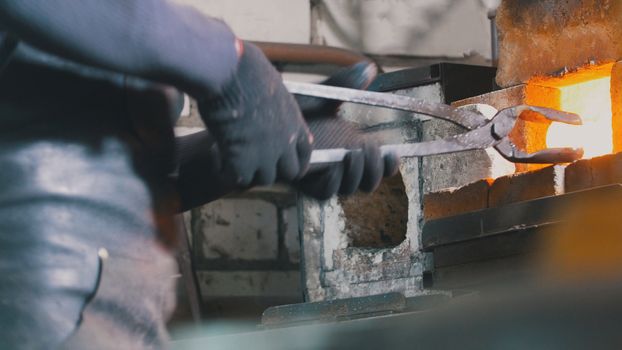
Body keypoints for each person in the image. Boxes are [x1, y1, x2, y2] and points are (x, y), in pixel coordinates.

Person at [0, 1, 399, 349]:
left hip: (112, 308)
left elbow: (90, 155)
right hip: (44, 302)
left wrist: (227, 156)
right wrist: (227, 63)